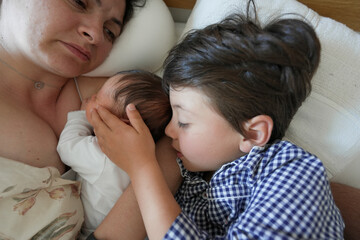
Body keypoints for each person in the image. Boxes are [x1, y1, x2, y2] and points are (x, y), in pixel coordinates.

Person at [89, 12, 345, 239]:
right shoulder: (193, 172)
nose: (169, 131)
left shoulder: (294, 173)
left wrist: (143, 168)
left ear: (252, 133)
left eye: (184, 121)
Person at [0, 1, 179, 239]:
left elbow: (175, 142)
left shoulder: (121, 96)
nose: (95, 35)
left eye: (109, 32)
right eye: (79, 2)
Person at [57, 70, 171, 239]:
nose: (90, 97)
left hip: (89, 231)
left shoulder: (102, 156)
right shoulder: (152, 154)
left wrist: (80, 116)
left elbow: (66, 147)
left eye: (97, 98)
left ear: (118, 124)